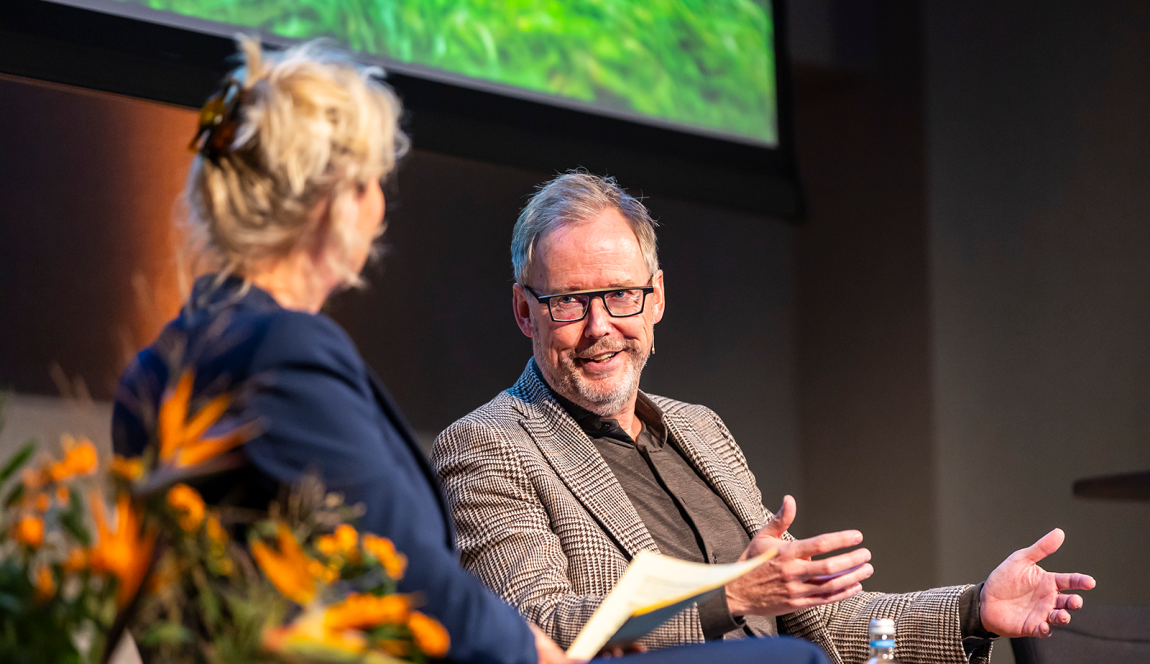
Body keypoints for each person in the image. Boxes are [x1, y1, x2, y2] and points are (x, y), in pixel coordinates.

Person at [113, 40, 830, 664]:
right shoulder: (285, 351)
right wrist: (533, 650)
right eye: (373, 184)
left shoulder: (159, 363)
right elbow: (405, 572)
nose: (380, 207)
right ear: (337, 202)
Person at [431, 171, 1097, 664]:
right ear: (525, 311)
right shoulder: (488, 448)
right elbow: (539, 631)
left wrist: (975, 607)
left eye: (621, 296)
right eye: (570, 303)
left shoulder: (701, 430)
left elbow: (826, 628)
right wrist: (730, 598)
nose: (601, 328)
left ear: (656, 299)